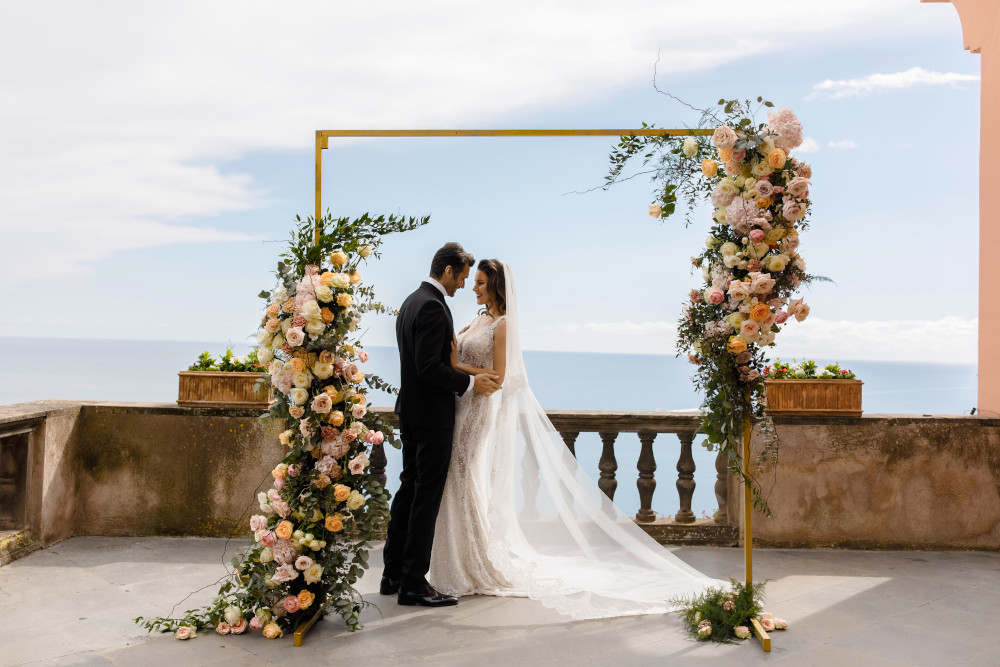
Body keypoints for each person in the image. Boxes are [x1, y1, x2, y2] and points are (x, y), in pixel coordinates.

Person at [426, 259, 720, 619]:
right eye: (474, 282)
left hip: (478, 409)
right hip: (461, 408)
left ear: (498, 286)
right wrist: (457, 365)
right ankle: (455, 560)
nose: (475, 288)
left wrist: (459, 368)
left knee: (460, 477)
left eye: (482, 283)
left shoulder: (503, 325)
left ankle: (472, 563)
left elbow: (499, 377)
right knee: (458, 481)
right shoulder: (477, 320)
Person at [381, 243, 501, 607]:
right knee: (425, 499)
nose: (464, 285)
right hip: (432, 417)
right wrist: (467, 383)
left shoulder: (411, 301)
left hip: (412, 413)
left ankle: (393, 573)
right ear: (448, 271)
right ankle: (414, 583)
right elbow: (428, 367)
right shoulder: (433, 306)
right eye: (463, 277)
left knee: (407, 491)